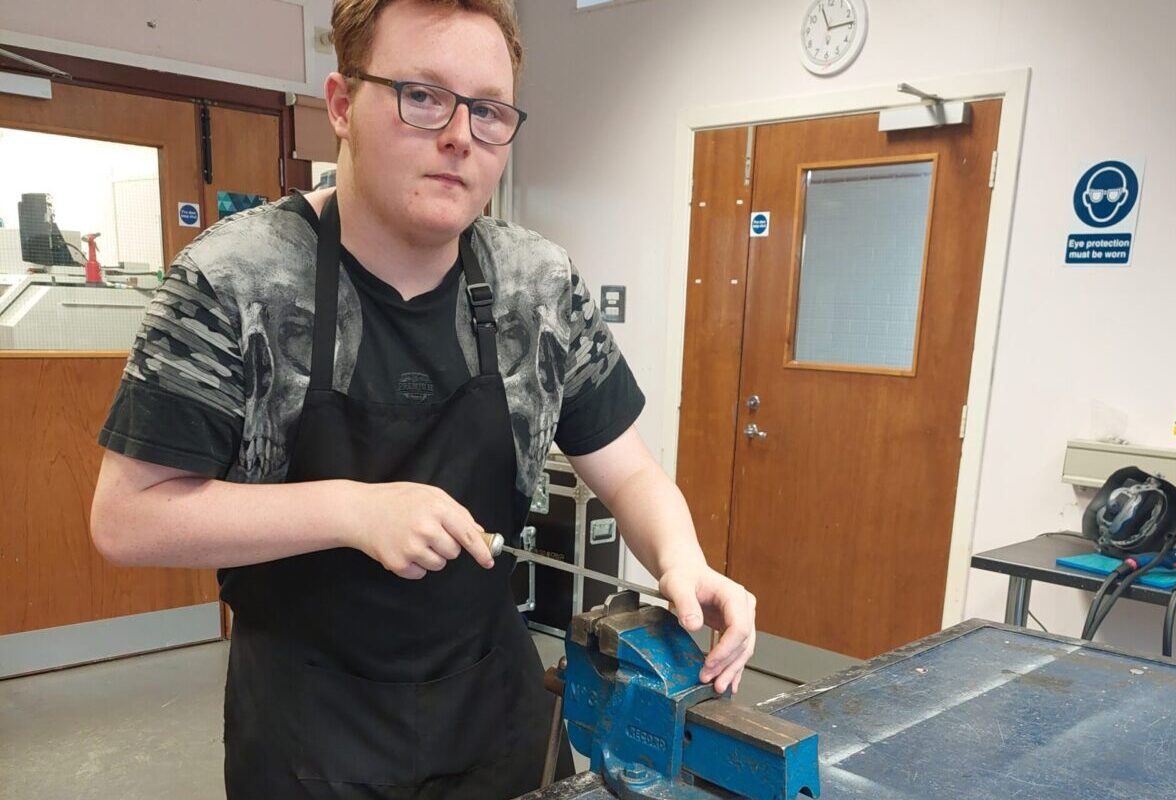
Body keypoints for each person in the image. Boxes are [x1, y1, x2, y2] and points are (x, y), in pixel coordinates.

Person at [89, 0, 757, 796]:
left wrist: (682, 560)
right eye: (423, 96)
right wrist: (352, 509)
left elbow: (630, 471)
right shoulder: (234, 281)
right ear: (342, 105)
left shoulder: (538, 286)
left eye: (488, 110)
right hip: (310, 732)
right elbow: (127, 518)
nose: (460, 135)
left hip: (494, 713)